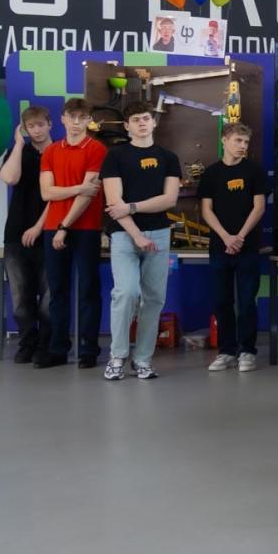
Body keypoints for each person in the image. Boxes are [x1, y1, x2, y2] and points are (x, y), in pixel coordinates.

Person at [99, 103, 182, 381]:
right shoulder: (115, 156)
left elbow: (169, 199)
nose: (142, 123)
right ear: (127, 126)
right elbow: (114, 202)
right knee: (126, 293)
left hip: (159, 233)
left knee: (154, 299)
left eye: (146, 118)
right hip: (124, 234)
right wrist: (136, 234)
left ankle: (143, 359)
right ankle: (117, 356)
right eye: (136, 120)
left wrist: (133, 207)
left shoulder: (168, 157)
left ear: (154, 122)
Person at [35, 98, 108, 369]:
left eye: (82, 118)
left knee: (88, 289)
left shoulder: (97, 149)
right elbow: (47, 193)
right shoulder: (51, 151)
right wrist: (77, 188)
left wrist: (64, 226)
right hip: (53, 227)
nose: (76, 123)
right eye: (72, 117)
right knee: (57, 291)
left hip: (85, 228)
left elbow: (89, 196)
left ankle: (89, 350)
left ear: (88, 120)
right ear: (63, 119)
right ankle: (58, 349)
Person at [200, 122, 269, 374]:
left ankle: (247, 351)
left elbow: (259, 207)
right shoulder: (211, 173)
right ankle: (226, 352)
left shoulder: (254, 171)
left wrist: (239, 237)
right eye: (238, 141)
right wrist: (225, 237)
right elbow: (206, 210)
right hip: (220, 248)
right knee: (222, 301)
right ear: (224, 140)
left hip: (247, 248)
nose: (242, 146)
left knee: (246, 302)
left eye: (246, 142)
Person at [0, 105, 53, 363]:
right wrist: (19, 145)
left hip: (50, 233)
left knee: (49, 298)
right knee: (20, 297)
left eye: (40, 125)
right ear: (24, 129)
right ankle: (27, 342)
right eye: (31, 126)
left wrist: (39, 226)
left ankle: (46, 344)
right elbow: (9, 178)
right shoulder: (18, 152)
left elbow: (59, 198)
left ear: (50, 124)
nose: (37, 130)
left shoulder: (59, 152)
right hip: (16, 233)